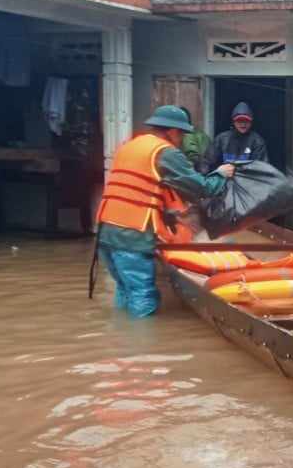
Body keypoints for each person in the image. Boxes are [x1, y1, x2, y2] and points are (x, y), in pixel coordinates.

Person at [94, 105, 235, 317]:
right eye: (182, 135)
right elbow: (201, 187)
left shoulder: (130, 146)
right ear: (172, 131)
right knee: (143, 296)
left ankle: (121, 341)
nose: (182, 140)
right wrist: (221, 175)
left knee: (126, 290)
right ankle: (140, 344)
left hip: (106, 231)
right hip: (132, 235)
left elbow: (144, 188)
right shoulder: (165, 152)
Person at [202, 101, 268, 173]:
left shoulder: (257, 141)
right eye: (239, 121)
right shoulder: (221, 139)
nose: (243, 124)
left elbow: (262, 168)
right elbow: (206, 163)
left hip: (247, 180)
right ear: (233, 122)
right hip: (224, 179)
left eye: (246, 121)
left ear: (251, 122)